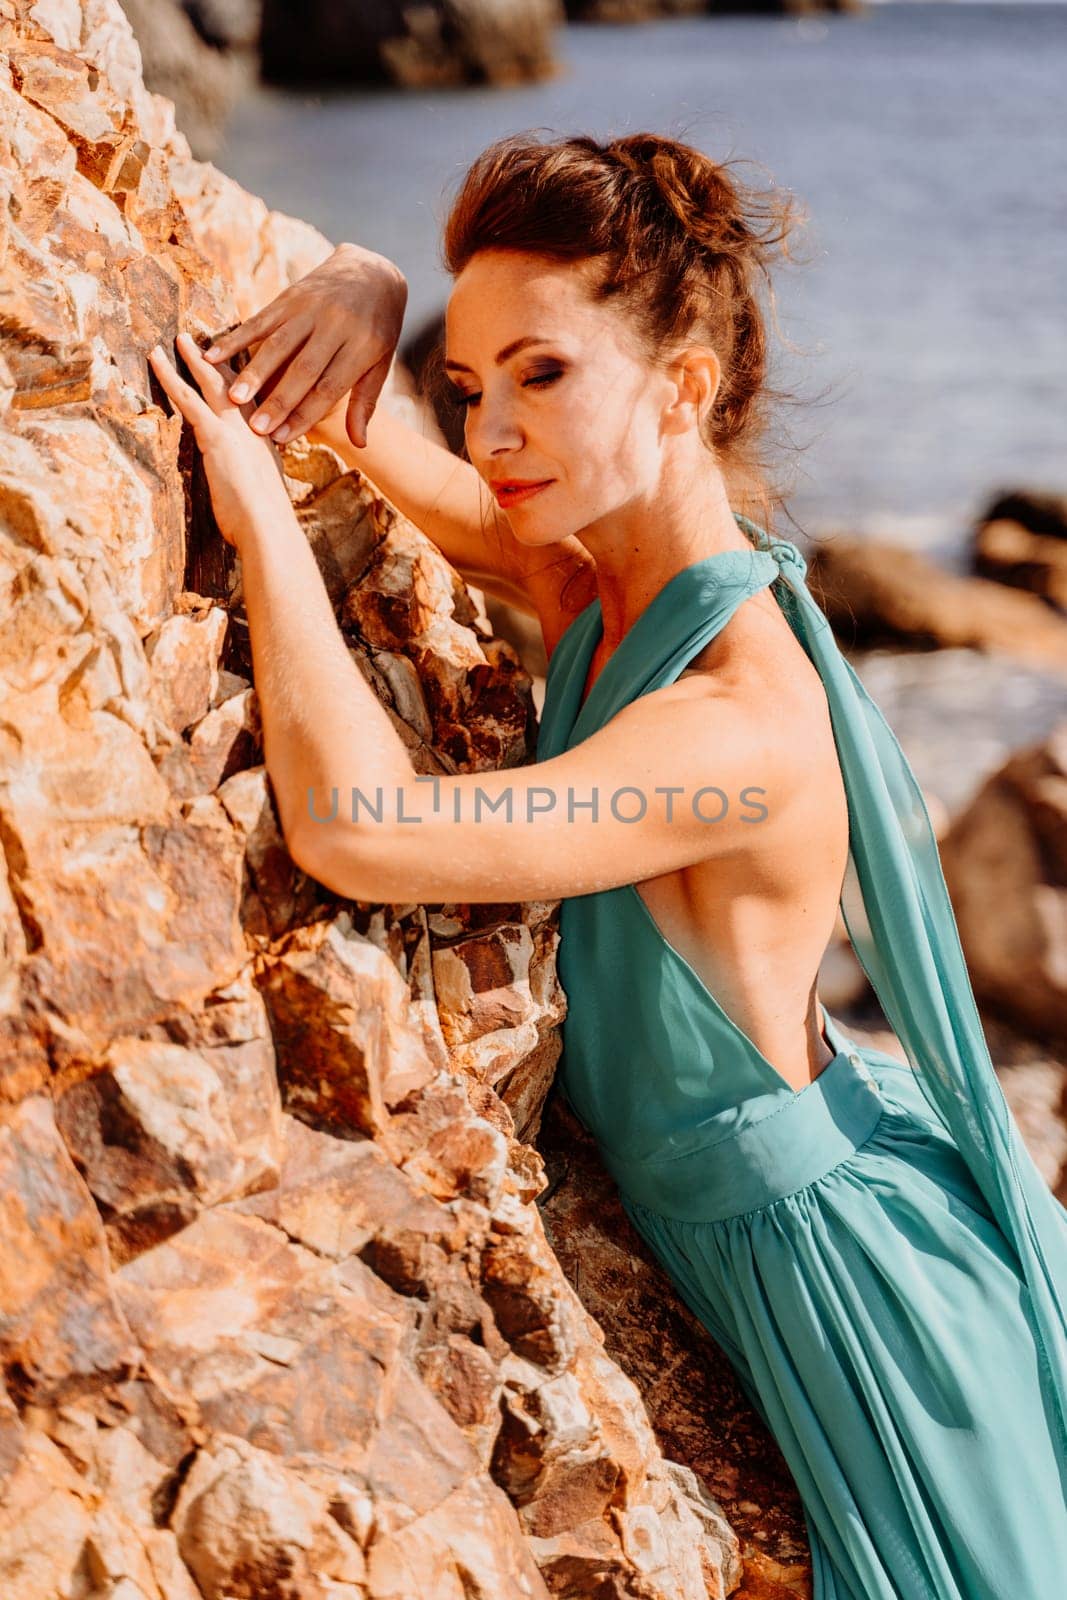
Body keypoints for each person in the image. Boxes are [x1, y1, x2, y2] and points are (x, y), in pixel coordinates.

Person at [148, 130, 1067, 1599]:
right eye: (473, 382)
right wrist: (369, 281)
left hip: (860, 1306)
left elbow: (362, 829)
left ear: (684, 385)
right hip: (788, 1229)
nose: (493, 431)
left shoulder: (738, 721)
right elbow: (351, 418)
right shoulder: (594, 573)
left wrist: (254, 510)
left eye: (545, 374)